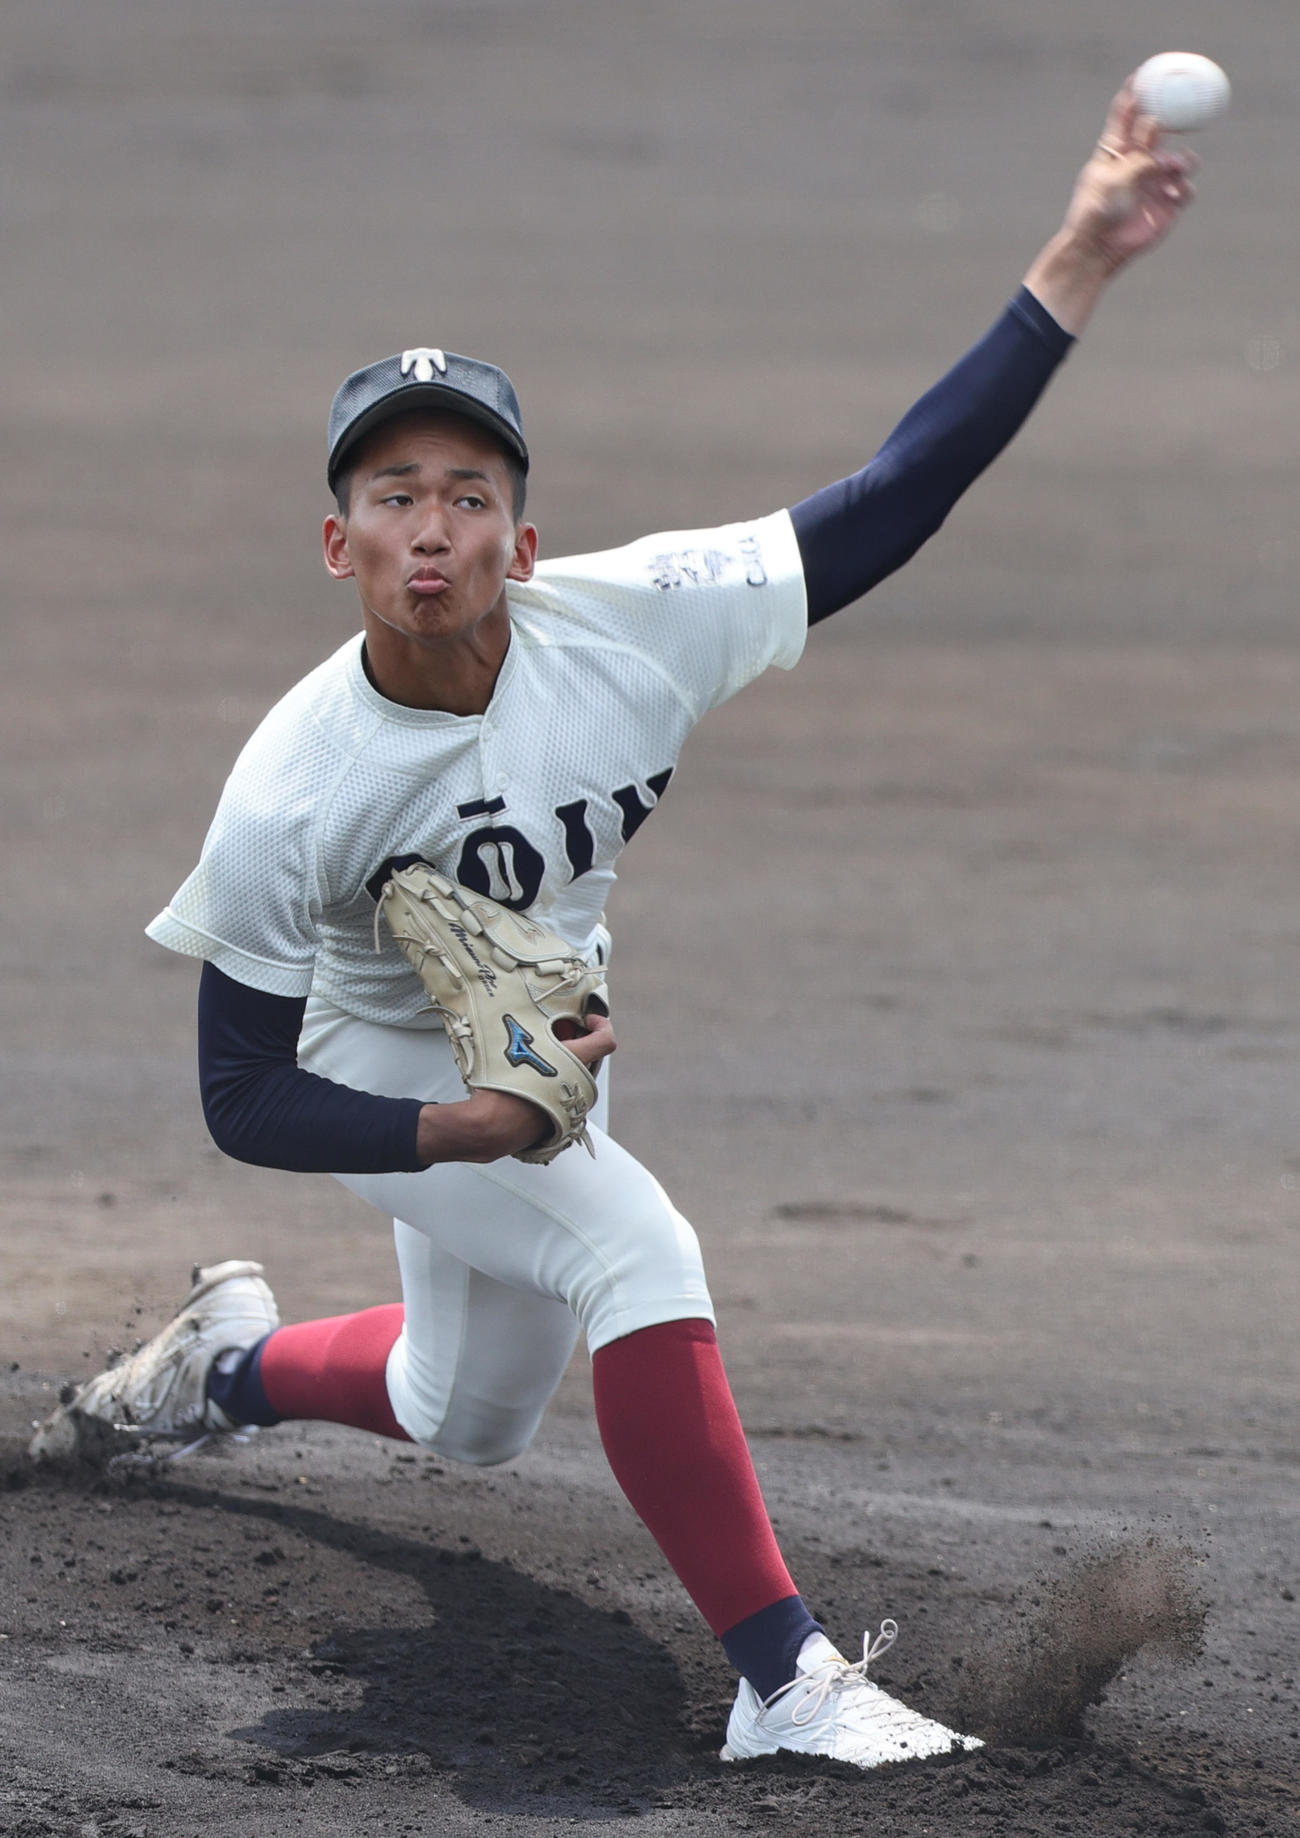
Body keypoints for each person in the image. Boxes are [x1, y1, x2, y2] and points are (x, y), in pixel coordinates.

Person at [32, 82, 1197, 1768]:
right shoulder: (295, 782)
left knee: (465, 1410)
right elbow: (240, 1093)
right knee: (635, 1249)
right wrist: (458, 1126)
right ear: (338, 542)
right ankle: (787, 1680)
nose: (432, 523)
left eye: (468, 490)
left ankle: (220, 1367)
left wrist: (1079, 255)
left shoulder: (633, 622)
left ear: (523, 536)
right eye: (392, 493)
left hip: (540, 1043)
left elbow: (897, 494)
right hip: (375, 1058)